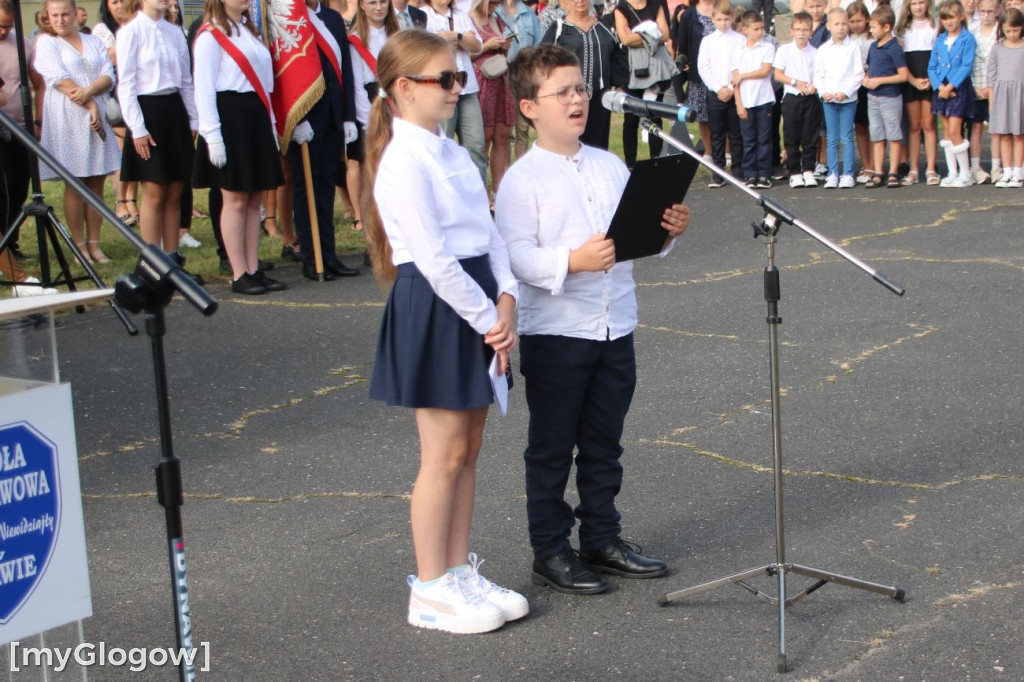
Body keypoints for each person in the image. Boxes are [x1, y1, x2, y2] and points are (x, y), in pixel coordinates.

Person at [497, 43, 689, 596]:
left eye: (581, 88)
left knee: (606, 441)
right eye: (563, 92)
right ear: (531, 107)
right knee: (553, 446)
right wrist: (570, 262)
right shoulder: (522, 179)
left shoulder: (610, 165)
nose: (578, 99)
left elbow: (634, 236)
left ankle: (602, 539)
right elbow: (514, 257)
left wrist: (666, 229)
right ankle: (551, 550)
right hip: (558, 332)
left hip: (615, 324)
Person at [363, 29, 527, 634]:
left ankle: (459, 571)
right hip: (440, 307)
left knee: (470, 449)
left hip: (479, 301)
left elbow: (489, 233)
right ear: (404, 88)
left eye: (461, 78)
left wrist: (506, 296)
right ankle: (430, 587)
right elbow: (432, 260)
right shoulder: (402, 161)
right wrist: (490, 320)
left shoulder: (453, 151)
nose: (459, 89)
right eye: (447, 80)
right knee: (442, 454)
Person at [192, 0, 286, 294]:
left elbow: (266, 85)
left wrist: (270, 125)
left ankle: (253, 268)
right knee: (234, 199)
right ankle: (238, 272)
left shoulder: (249, 31)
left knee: (254, 199)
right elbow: (204, 88)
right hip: (229, 117)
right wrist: (213, 136)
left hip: (255, 116)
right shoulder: (210, 35)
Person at [116, 0, 201, 280]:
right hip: (147, 113)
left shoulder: (175, 32)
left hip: (174, 110)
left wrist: (193, 119)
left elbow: (186, 80)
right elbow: (126, 83)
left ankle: (173, 260)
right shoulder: (131, 32)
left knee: (176, 188)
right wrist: (137, 128)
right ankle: (152, 264)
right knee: (154, 191)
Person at [35, 0, 121, 264]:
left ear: (75, 15)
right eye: (55, 15)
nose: (60, 20)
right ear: (47, 17)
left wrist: (91, 95)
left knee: (96, 181)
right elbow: (58, 78)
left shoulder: (93, 40)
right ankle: (79, 245)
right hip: (67, 118)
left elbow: (108, 74)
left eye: (65, 14)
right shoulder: (46, 43)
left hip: (95, 117)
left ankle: (95, 243)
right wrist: (90, 103)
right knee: (75, 182)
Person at [289, 0, 361, 281]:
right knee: (306, 190)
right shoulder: (290, 18)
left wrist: (347, 115)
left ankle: (329, 255)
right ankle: (311, 256)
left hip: (333, 114)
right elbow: (285, 73)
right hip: (305, 118)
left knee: (326, 186)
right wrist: (295, 118)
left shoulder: (331, 18)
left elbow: (345, 69)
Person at [347, 0, 400, 234]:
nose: (379, 7)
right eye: (372, 2)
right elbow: (357, 83)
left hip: (399, 100)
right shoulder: (357, 40)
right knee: (375, 171)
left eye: (382, 2)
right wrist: (367, 120)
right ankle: (375, 228)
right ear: (362, 7)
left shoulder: (397, 34)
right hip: (372, 102)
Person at [422, 0, 488, 184]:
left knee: (476, 144)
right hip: (440, 88)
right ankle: (448, 194)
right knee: (443, 144)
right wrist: (457, 40)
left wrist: (456, 36)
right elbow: (427, 49)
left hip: (467, 88)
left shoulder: (461, 14)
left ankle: (479, 197)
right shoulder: (423, 14)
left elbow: (477, 46)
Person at [541, 0, 622, 150]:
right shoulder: (559, 28)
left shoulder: (604, 26)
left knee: (599, 145)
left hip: (600, 97)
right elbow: (543, 60)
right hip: (570, 98)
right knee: (572, 143)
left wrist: (620, 85)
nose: (579, 1)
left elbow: (617, 57)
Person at [0, 0, 45, 260]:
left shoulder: (22, 44)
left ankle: (12, 243)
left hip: (21, 126)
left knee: (20, 186)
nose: (4, 31)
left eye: (8, 26)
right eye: (0, 26)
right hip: (1, 128)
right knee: (3, 190)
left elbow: (39, 83)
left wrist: (37, 120)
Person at [93, 0, 140, 226]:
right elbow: (111, 58)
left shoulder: (138, 24)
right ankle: (121, 202)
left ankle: (132, 199)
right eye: (114, 1)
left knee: (138, 150)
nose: (120, 5)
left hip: (139, 92)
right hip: (115, 94)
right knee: (123, 152)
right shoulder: (103, 30)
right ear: (107, 6)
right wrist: (128, 33)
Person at [614, 0, 674, 168]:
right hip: (633, 71)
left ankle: (656, 162)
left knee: (655, 115)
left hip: (655, 69)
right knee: (631, 118)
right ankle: (630, 165)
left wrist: (637, 36)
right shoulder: (621, 9)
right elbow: (625, 39)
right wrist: (652, 35)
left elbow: (665, 34)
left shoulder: (656, 5)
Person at [697, 0, 744, 187]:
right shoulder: (708, 41)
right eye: (719, 19)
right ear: (712, 19)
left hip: (735, 92)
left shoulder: (739, 40)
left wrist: (731, 89)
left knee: (736, 132)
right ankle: (718, 172)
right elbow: (703, 68)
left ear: (732, 18)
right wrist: (718, 89)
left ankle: (738, 170)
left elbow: (741, 66)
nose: (723, 23)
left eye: (726, 19)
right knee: (717, 133)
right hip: (715, 93)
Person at [814, 6, 863, 188]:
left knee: (847, 136)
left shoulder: (853, 47)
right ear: (828, 26)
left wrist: (846, 92)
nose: (841, 27)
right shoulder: (823, 49)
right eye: (837, 24)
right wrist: (823, 92)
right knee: (832, 137)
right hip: (829, 100)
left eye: (844, 24)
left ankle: (848, 173)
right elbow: (818, 74)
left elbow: (858, 74)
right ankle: (833, 173)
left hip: (847, 99)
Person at [929, 0, 976, 187]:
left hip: (958, 88)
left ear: (961, 16)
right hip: (941, 88)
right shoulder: (940, 39)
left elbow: (966, 65)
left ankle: (965, 173)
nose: (948, 22)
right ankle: (952, 172)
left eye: (952, 17)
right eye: (945, 18)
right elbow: (932, 66)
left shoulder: (967, 38)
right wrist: (939, 86)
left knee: (956, 130)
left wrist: (951, 87)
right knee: (947, 131)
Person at [471, 0, 516, 195]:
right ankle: (481, 191)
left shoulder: (497, 19)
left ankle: (499, 191)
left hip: (501, 80)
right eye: (491, 2)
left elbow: (504, 54)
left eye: (498, 2)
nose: (494, 6)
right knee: (485, 138)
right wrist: (488, 45)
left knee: (503, 136)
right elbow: (465, 55)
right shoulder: (468, 20)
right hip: (483, 81)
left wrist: (504, 45)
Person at [773, 11, 820, 187]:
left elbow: (820, 73)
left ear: (811, 31)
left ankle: (808, 170)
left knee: (810, 135)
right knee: (791, 135)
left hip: (810, 98)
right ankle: (794, 171)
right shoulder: (784, 50)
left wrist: (815, 84)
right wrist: (795, 82)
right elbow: (778, 74)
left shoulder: (816, 52)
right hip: (792, 97)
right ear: (791, 31)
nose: (801, 33)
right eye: (798, 29)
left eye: (805, 29)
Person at [863, 4, 908, 187]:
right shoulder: (874, 47)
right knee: (877, 135)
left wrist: (880, 81)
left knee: (893, 135)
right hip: (872, 98)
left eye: (873, 27)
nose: (871, 30)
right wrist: (867, 79)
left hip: (890, 98)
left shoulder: (894, 48)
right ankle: (878, 170)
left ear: (886, 27)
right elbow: (869, 69)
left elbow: (903, 75)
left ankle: (893, 171)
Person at [732, 10, 775, 188]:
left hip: (763, 99)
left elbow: (765, 71)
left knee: (764, 138)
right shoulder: (738, 52)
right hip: (746, 101)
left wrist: (744, 76)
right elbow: (735, 80)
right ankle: (750, 174)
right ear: (745, 29)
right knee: (748, 140)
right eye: (756, 29)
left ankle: (764, 174)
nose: (760, 32)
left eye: (762, 28)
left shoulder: (768, 48)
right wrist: (738, 104)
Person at [896, 0, 938, 185]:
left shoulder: (934, 26)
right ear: (909, 6)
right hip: (911, 79)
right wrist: (913, 80)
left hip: (929, 78)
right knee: (914, 125)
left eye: (921, 2)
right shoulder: (902, 29)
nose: (918, 7)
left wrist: (931, 79)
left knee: (928, 124)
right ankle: (914, 169)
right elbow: (901, 59)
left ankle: (931, 168)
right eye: (914, 3)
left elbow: (937, 55)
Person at [496, 0, 542, 159]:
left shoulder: (528, 13)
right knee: (504, 132)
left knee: (523, 129)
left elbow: (539, 45)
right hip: (501, 77)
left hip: (524, 77)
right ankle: (505, 176)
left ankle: (521, 173)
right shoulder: (494, 11)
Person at [675, 0, 717, 159]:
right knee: (702, 114)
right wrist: (684, 60)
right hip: (699, 72)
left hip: (722, 72)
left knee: (725, 114)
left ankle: (727, 151)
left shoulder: (722, 8)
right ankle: (708, 151)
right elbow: (683, 43)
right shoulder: (689, 15)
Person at [988, 8, 1023, 187]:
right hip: (1002, 96)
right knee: (1004, 135)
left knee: (1018, 135)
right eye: (1008, 30)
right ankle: (1006, 171)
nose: (1012, 34)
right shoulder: (998, 47)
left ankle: (1018, 172)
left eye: (1015, 30)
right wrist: (992, 102)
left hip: (1020, 96)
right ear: (1002, 28)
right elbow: (991, 76)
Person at [968, 0, 997, 183]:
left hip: (996, 87)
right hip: (976, 85)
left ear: (997, 11)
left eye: (990, 11)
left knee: (996, 129)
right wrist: (974, 87)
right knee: (976, 126)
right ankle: (975, 166)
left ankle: (997, 166)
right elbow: (966, 62)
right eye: (983, 11)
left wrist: (992, 86)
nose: (986, 15)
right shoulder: (971, 32)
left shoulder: (1001, 31)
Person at [847, 1, 875, 183]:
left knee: (874, 128)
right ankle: (865, 165)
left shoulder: (872, 38)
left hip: (871, 84)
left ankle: (875, 165)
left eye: (859, 20)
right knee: (860, 128)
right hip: (855, 86)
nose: (856, 24)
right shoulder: (848, 40)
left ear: (866, 19)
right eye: (852, 21)